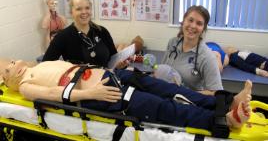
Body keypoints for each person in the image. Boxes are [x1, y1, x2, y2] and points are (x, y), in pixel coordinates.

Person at [2, 60, 252, 133]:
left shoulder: (38, 64)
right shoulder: (25, 85)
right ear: (6, 81)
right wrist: (91, 93)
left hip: (113, 75)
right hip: (100, 93)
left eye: (12, 60)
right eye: (7, 68)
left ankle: (228, 100)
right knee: (162, 107)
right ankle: (223, 121)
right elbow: (52, 94)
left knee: (171, 90)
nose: (14, 65)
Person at [42, 0, 127, 69]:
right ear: (71, 12)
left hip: (105, 80)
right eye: (79, 9)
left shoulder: (102, 31)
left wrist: (120, 65)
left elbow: (113, 59)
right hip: (82, 84)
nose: (84, 12)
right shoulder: (63, 37)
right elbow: (45, 65)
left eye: (87, 8)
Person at [162, 6, 222, 95]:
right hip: (165, 95)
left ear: (203, 29)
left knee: (219, 57)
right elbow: (163, 69)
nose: (193, 26)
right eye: (190, 20)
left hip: (186, 102)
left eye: (199, 23)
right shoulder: (173, 43)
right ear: (183, 21)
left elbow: (216, 92)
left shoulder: (207, 56)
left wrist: (186, 93)